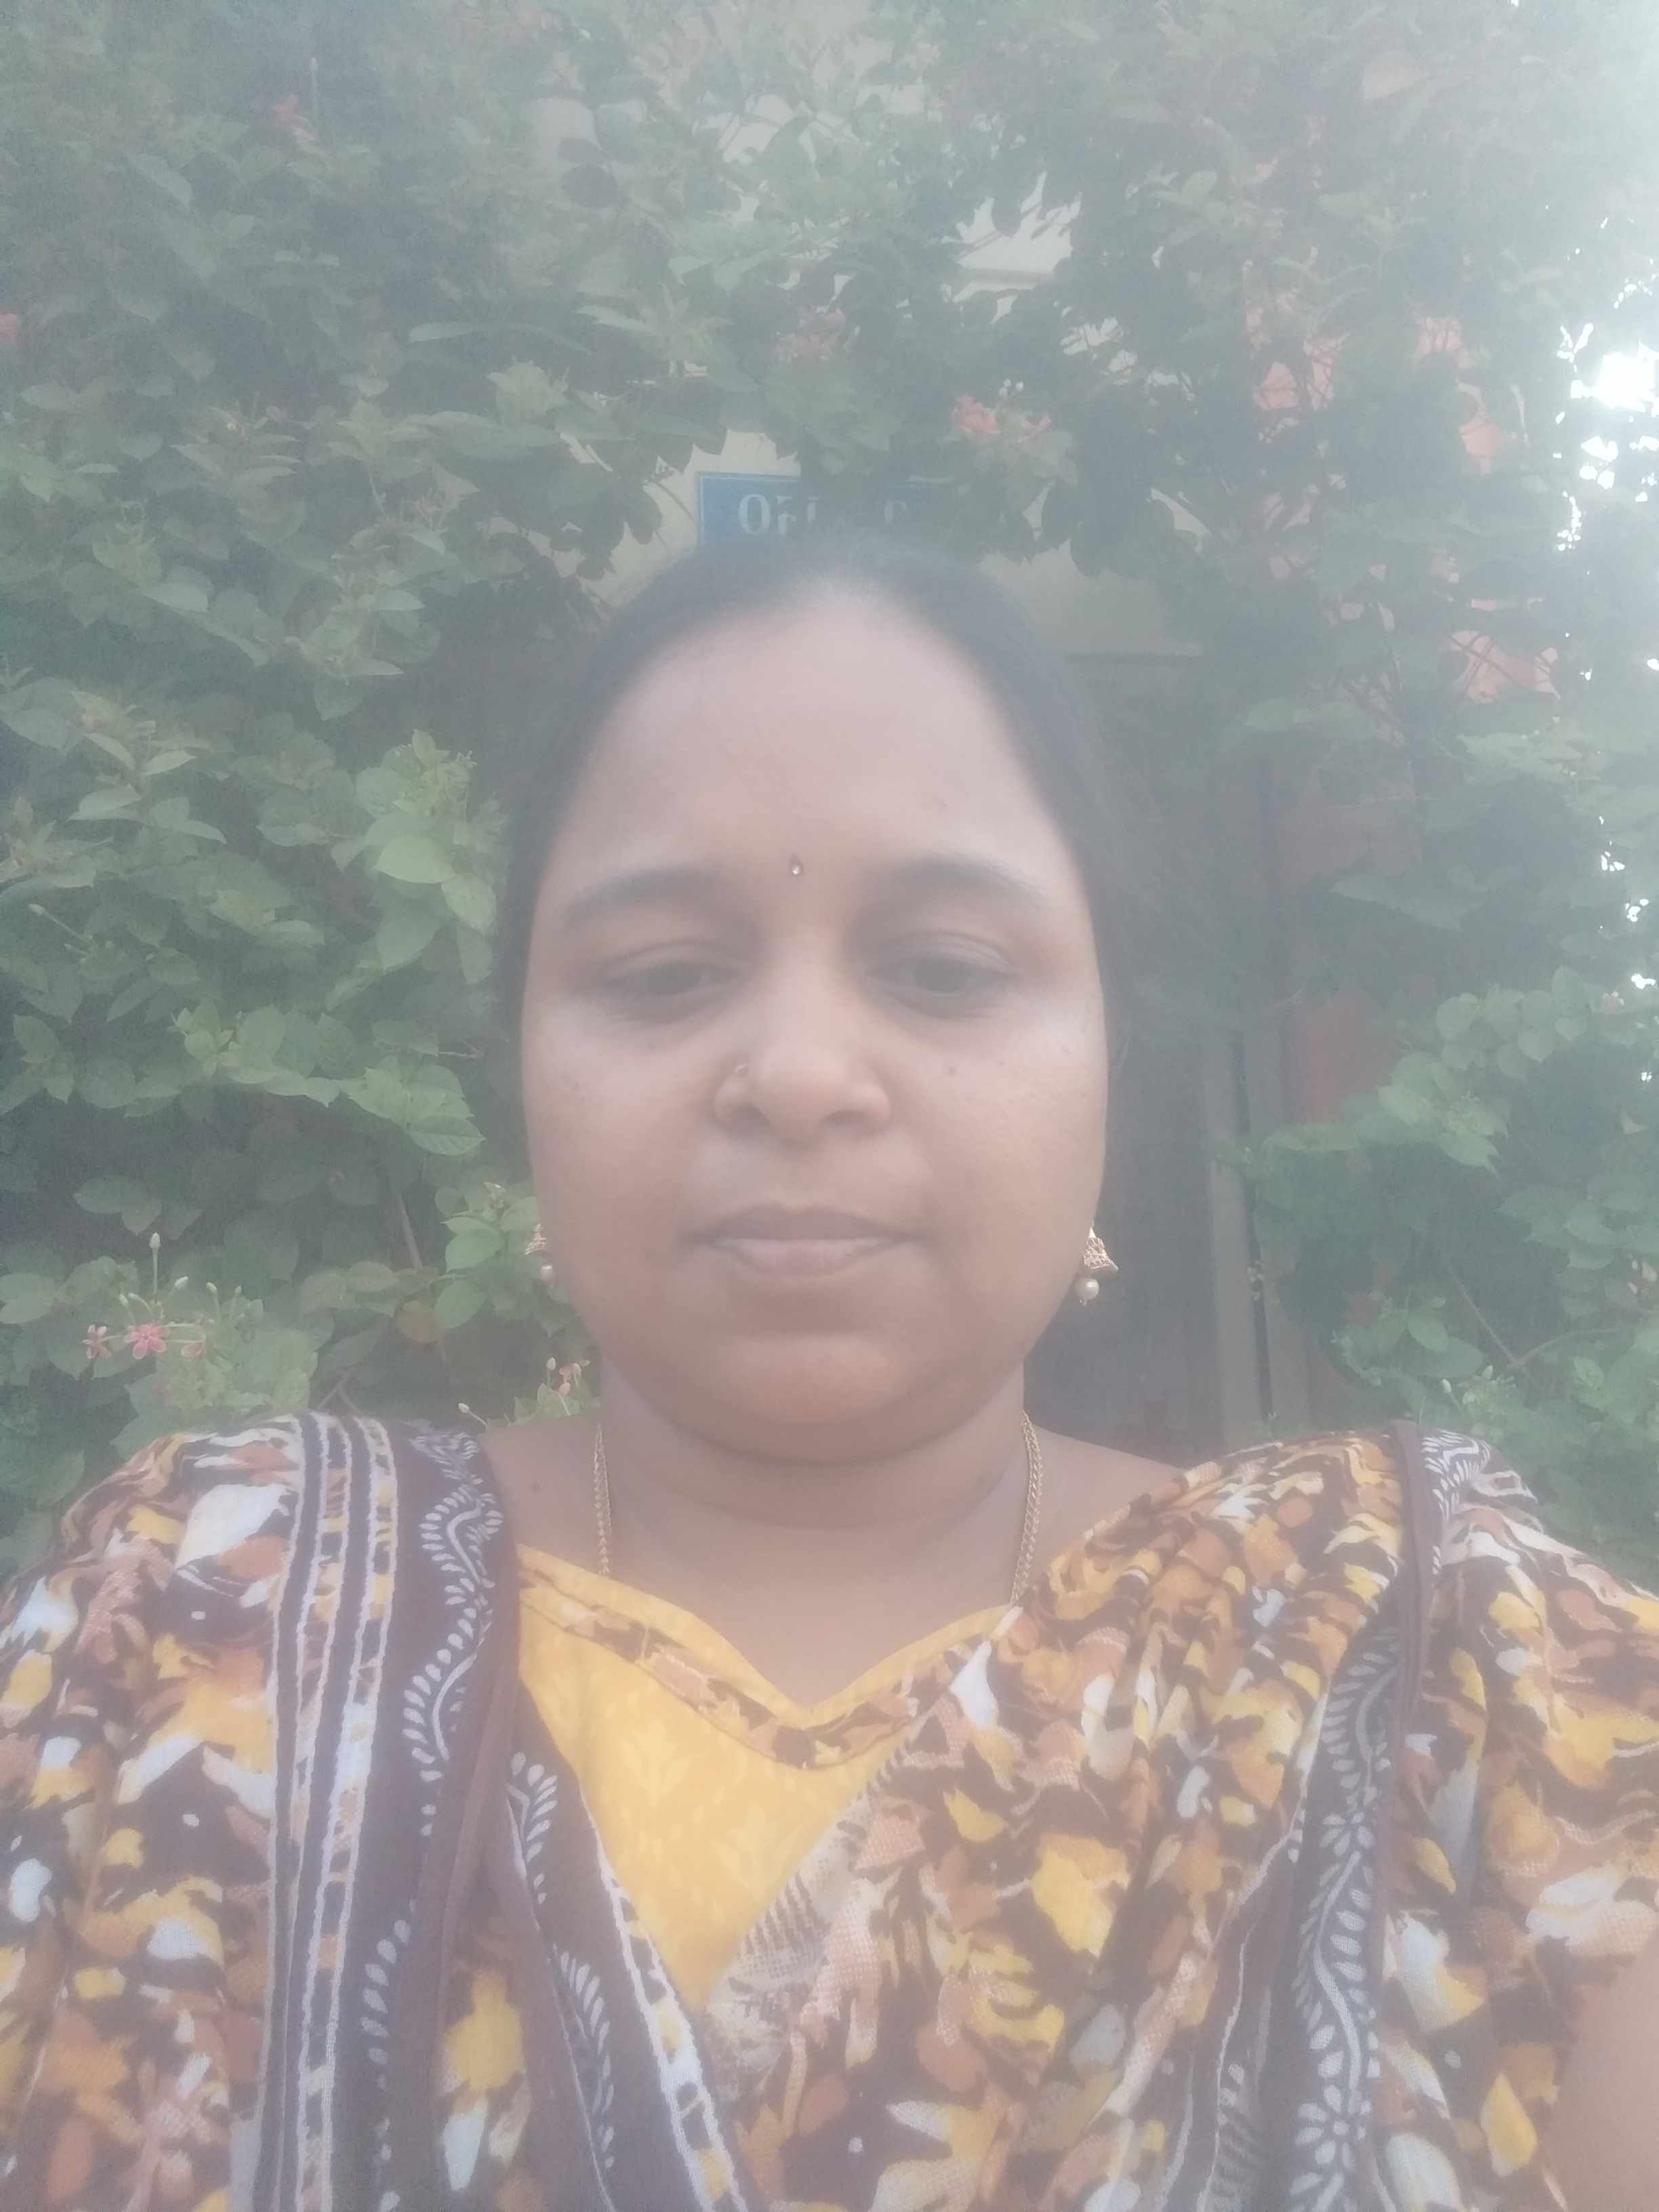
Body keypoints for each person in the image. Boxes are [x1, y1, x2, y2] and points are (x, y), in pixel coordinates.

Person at [0, 536, 1654, 2212]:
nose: (797, 1076)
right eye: (664, 977)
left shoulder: (1438, 1657)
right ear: (524, 1070)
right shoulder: (190, 1618)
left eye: (944, 969)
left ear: (1109, 1059)